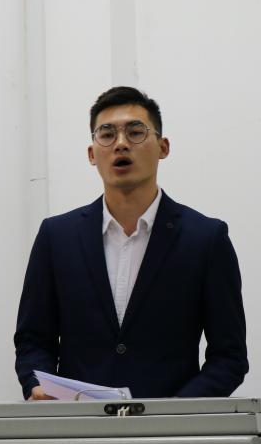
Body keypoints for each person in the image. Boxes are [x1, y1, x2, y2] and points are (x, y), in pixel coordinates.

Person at [13, 86, 249, 399]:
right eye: (107, 134)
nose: (121, 143)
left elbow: (229, 357)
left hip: (171, 426)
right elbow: (33, 341)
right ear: (92, 154)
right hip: (78, 423)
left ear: (163, 147)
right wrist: (37, 384)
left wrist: (173, 414)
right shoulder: (56, 237)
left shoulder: (205, 239)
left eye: (136, 132)